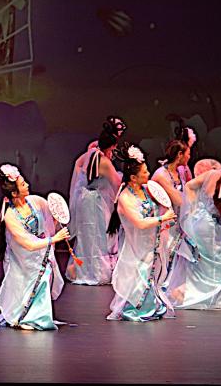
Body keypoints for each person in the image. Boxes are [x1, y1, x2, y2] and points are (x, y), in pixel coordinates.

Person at [165, 131, 221, 310]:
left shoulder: (211, 175)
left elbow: (189, 187)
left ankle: (186, 292)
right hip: (211, 228)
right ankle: (205, 297)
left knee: (204, 261)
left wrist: (193, 209)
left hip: (199, 222)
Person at [0, 163, 69, 330]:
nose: (27, 185)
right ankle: (24, 316)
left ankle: (39, 317)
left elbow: (51, 220)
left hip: (41, 252)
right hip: (23, 255)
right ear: (14, 193)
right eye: (23, 184)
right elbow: (28, 244)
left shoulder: (36, 201)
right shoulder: (10, 216)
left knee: (44, 279)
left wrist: (56, 220)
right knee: (22, 284)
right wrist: (53, 239)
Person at [106, 144, 176, 321]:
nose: (148, 174)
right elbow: (139, 223)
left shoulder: (146, 190)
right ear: (133, 178)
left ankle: (151, 306)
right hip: (136, 244)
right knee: (139, 274)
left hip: (150, 242)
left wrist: (164, 222)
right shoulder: (125, 198)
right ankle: (135, 309)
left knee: (151, 274)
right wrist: (162, 218)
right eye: (144, 172)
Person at [65, 116, 126, 285]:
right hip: (96, 203)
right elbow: (117, 183)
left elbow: (78, 165)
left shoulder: (90, 154)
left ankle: (83, 269)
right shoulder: (104, 161)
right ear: (112, 145)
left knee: (87, 236)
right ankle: (97, 272)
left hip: (85, 200)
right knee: (98, 236)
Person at [150, 125, 195, 284]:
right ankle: (161, 283)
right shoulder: (161, 174)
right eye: (188, 154)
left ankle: (171, 283)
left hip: (176, 218)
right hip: (164, 220)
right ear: (180, 155)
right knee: (165, 252)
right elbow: (179, 200)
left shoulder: (179, 171)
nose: (189, 157)